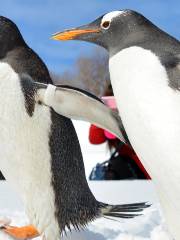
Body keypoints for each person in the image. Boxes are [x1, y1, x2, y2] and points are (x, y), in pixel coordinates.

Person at [89, 84, 150, 180]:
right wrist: (101, 114)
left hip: (149, 164)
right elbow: (94, 139)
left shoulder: (140, 113)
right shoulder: (109, 117)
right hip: (129, 163)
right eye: (112, 102)